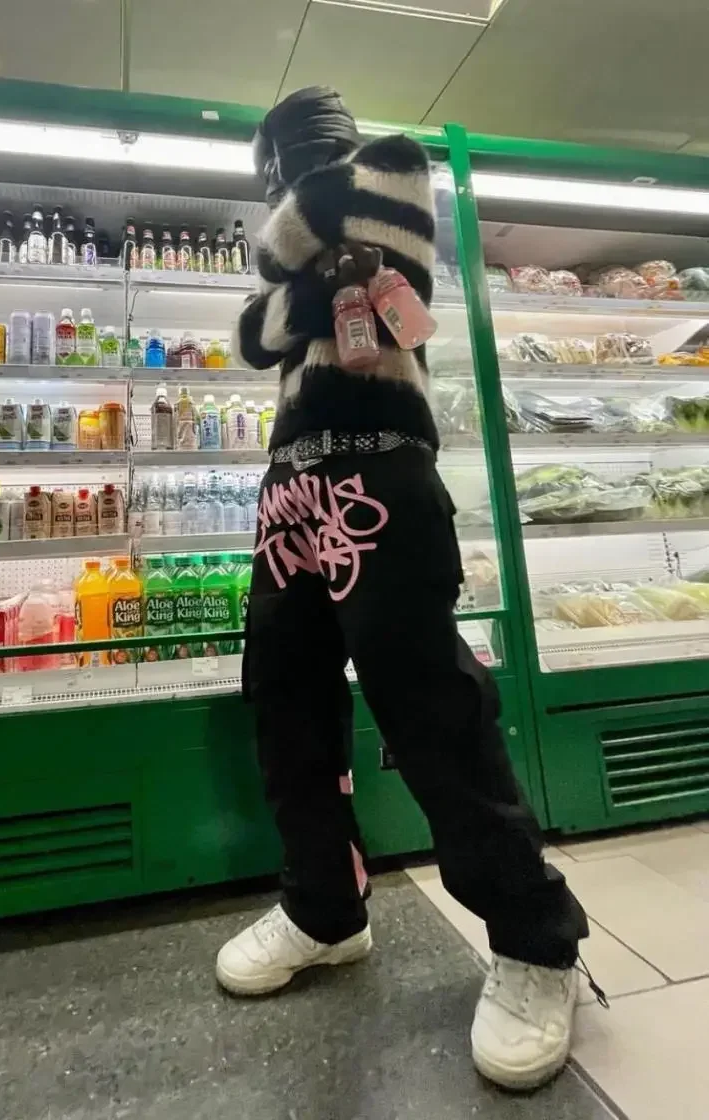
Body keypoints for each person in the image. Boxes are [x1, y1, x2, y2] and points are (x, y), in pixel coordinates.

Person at [216, 86, 596, 1091]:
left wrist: (288, 272)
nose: (280, 183)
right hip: (290, 480)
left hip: (382, 466)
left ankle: (535, 941)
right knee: (284, 704)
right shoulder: (327, 223)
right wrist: (302, 285)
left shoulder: (390, 168)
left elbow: (300, 281)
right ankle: (323, 908)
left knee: (432, 709)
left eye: (286, 160)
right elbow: (252, 335)